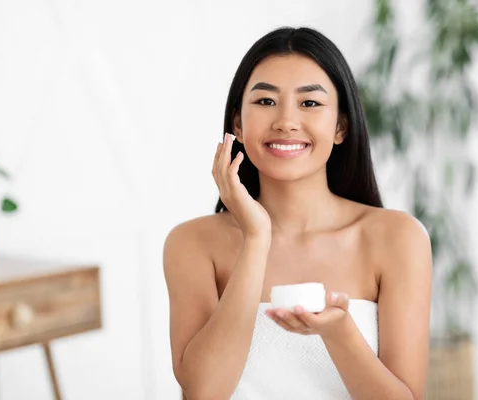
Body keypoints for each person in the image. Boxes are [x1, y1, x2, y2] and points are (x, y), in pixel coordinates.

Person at [163, 26, 432, 400]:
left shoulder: (398, 239)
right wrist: (256, 238)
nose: (286, 121)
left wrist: (339, 334)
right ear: (237, 123)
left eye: (310, 103)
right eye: (266, 102)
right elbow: (205, 392)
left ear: (340, 126)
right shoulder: (192, 244)